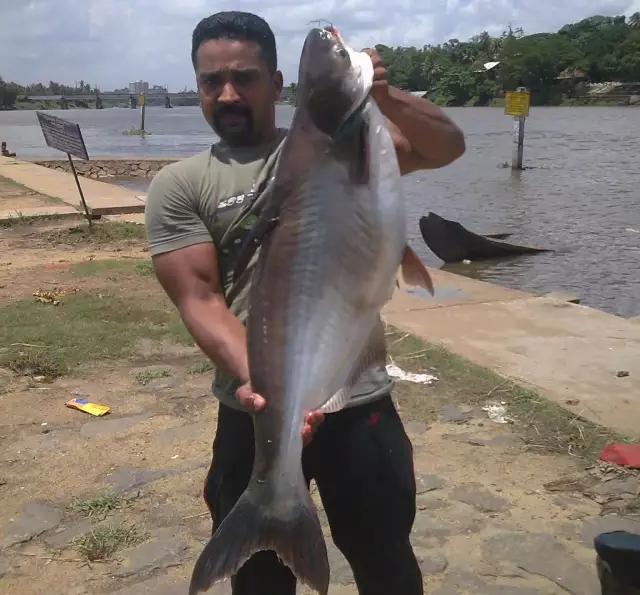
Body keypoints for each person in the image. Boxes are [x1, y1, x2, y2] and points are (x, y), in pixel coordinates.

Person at [144, 10, 465, 595]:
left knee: (387, 565)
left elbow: (445, 145)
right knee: (260, 584)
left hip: (360, 402)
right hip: (255, 411)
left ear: (277, 84)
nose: (228, 93)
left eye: (244, 77)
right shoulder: (179, 185)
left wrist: (384, 94)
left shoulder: (348, 143)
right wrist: (265, 387)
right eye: (211, 82)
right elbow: (199, 299)